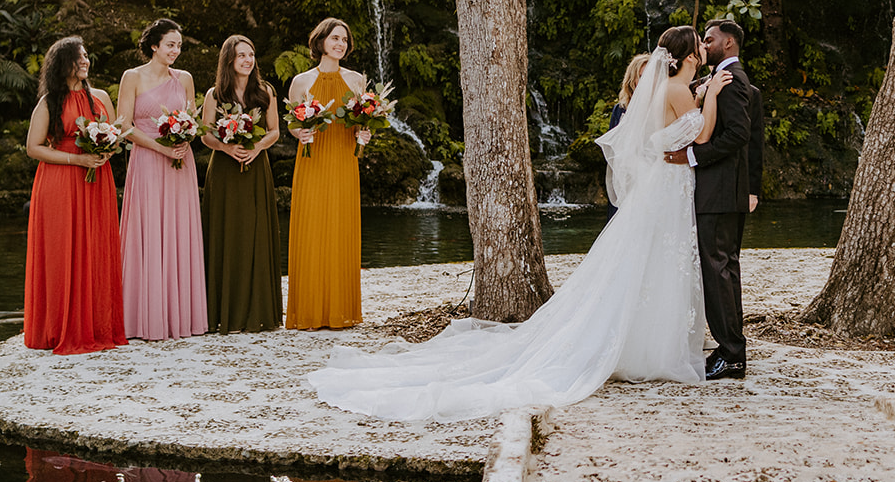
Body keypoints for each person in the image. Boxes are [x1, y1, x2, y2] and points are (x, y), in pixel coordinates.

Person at [307, 25, 728, 420]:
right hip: (668, 186)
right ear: (689, 53)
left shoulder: (664, 88)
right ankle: (653, 346)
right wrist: (709, 97)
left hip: (663, 185)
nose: (704, 50)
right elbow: (703, 133)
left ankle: (643, 343)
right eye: (700, 45)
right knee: (659, 260)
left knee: (649, 260)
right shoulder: (678, 89)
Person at [662, 18, 760, 380]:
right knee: (724, 271)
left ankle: (732, 353)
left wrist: (691, 158)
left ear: (729, 43)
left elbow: (739, 135)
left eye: (710, 39)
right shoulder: (720, 80)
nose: (704, 45)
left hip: (718, 194)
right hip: (721, 193)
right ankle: (730, 348)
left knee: (718, 272)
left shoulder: (731, 81)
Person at [22, 36, 126, 354]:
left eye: (86, 55)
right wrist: (77, 159)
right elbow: (33, 147)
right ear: (62, 63)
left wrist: (106, 152)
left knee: (96, 246)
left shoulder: (101, 98)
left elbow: (117, 135)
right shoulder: (49, 102)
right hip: (60, 181)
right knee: (63, 250)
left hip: (97, 180)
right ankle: (58, 326)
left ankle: (96, 325)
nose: (85, 61)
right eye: (78, 56)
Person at [117, 18, 207, 340]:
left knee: (179, 232)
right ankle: (144, 318)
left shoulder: (185, 79)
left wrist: (185, 139)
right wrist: (159, 147)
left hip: (181, 164)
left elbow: (193, 119)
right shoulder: (133, 77)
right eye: (170, 44)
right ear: (154, 45)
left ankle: (180, 316)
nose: (176, 51)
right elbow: (124, 126)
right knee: (150, 231)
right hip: (147, 162)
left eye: (179, 46)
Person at [286, 17, 373, 330]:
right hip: (312, 160)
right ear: (321, 40)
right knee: (311, 227)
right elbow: (293, 123)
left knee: (340, 226)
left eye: (344, 40)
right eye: (335, 38)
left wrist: (365, 137)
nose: (340, 44)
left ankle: (341, 310)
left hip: (343, 160)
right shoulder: (301, 81)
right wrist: (300, 135)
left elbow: (363, 124)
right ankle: (307, 311)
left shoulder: (356, 80)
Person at [200, 34, 283, 333]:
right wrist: (224, 147)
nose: (248, 60)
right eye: (241, 56)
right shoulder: (215, 95)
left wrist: (258, 146)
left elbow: (275, 131)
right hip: (223, 171)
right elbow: (205, 134)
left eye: (251, 54)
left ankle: (258, 310)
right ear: (229, 61)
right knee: (224, 233)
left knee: (255, 233)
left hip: (255, 167)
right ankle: (222, 311)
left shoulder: (265, 91)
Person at [605, 52, 650, 220]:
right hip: (623, 177)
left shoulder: (660, 108)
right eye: (641, 76)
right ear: (632, 80)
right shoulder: (620, 109)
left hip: (649, 177)